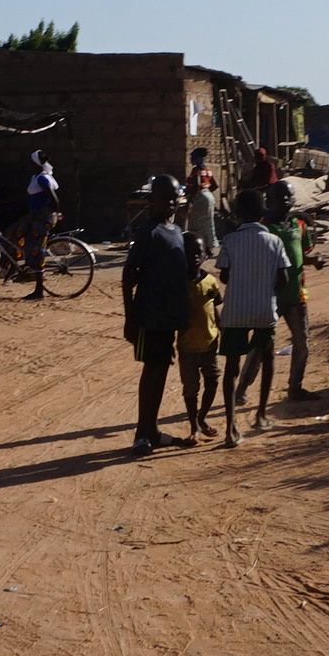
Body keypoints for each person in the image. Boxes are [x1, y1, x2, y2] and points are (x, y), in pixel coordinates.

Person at [120, 173, 191, 454]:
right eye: (166, 198)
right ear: (153, 201)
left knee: (161, 370)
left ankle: (152, 429)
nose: (172, 203)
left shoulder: (175, 231)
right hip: (149, 316)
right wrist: (130, 317)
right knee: (152, 371)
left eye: (175, 198)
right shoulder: (148, 232)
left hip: (169, 318)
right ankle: (142, 432)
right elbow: (128, 275)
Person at [215, 192, 290, 445]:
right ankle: (260, 413)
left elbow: (224, 276)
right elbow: (283, 280)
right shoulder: (275, 241)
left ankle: (230, 427)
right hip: (263, 311)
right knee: (267, 360)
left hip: (235, 312)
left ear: (237, 214)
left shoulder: (229, 240)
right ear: (263, 213)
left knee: (231, 368)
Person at [264, 183, 317, 401]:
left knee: (302, 342)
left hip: (296, 294)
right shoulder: (265, 228)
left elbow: (301, 254)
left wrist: (313, 260)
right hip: (271, 296)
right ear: (270, 201)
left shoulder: (299, 224)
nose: (285, 200)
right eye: (280, 197)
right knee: (261, 347)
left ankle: (295, 387)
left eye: (289, 196)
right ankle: (241, 390)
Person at [177, 250, 223, 443]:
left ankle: (201, 417)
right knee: (190, 389)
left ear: (204, 255)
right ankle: (194, 425)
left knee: (212, 381)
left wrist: (222, 329)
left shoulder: (211, 281)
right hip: (187, 347)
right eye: (190, 252)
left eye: (198, 252)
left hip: (210, 343)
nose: (194, 257)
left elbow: (215, 308)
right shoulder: (178, 284)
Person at [19, 150, 60, 296]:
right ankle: (32, 280)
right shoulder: (35, 177)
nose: (29, 165)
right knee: (30, 245)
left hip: (41, 218)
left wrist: (54, 213)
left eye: (31, 163)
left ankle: (39, 290)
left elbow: (54, 198)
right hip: (35, 217)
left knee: (37, 250)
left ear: (36, 164)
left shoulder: (43, 179)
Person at [183, 148, 219, 260]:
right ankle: (208, 249)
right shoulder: (207, 170)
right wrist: (206, 192)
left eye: (192, 156)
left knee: (195, 224)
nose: (191, 159)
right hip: (209, 197)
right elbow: (215, 185)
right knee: (208, 224)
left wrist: (190, 201)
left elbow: (196, 186)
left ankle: (196, 248)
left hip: (200, 197)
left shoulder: (196, 170)